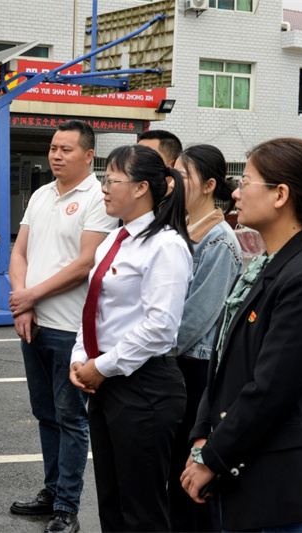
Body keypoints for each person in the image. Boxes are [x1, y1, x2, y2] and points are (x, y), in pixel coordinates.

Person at [181, 138, 302, 533]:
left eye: (246, 182)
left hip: (272, 478)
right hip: (241, 460)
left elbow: (270, 388)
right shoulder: (265, 264)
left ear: (280, 195)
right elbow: (224, 361)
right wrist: (201, 435)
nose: (236, 192)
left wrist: (212, 457)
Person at [70, 144, 193, 532]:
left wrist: (101, 366)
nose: (103, 188)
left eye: (111, 180)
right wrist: (80, 356)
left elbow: (160, 327)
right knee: (111, 501)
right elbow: (95, 306)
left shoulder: (166, 245)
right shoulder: (114, 239)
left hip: (144, 388)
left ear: (141, 188)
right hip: (106, 381)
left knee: (142, 509)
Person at [8, 120, 117, 533]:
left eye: (66, 149)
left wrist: (31, 296)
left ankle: (67, 507)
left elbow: (86, 262)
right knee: (44, 413)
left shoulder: (97, 198)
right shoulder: (41, 194)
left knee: (71, 418)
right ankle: (51, 491)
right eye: (53, 147)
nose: (56, 155)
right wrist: (22, 302)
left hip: (71, 330)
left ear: (88, 155)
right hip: (33, 324)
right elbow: (19, 252)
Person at [167, 144, 242, 532]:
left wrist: (152, 350)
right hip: (174, 360)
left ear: (210, 185)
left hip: (193, 366)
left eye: (183, 176)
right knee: (173, 473)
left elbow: (196, 317)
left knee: (191, 472)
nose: (175, 183)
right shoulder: (179, 228)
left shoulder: (220, 241)